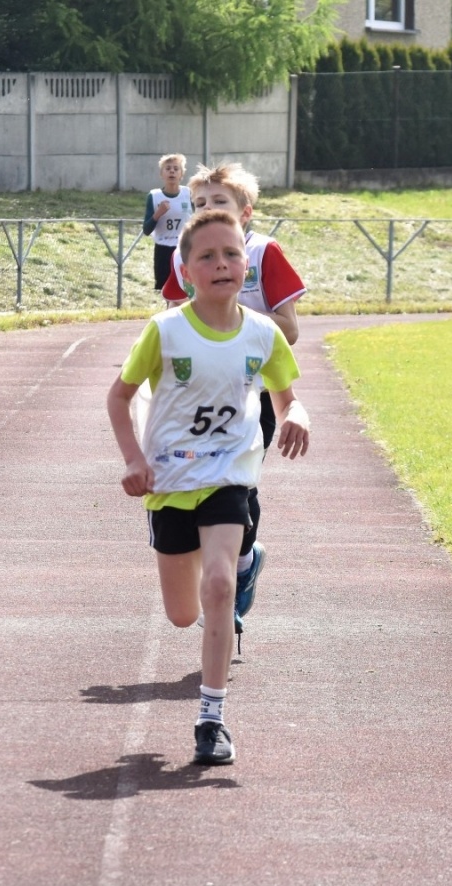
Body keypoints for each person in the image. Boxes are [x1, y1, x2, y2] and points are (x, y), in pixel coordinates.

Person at [107, 209, 310, 766]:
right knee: (180, 612)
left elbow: (286, 394)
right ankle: (216, 570)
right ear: (186, 270)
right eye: (207, 257)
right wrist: (132, 459)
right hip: (170, 481)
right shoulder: (165, 332)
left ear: (246, 267)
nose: (221, 264)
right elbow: (118, 397)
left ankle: (211, 718)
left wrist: (299, 415)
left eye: (231, 255)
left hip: (229, 474)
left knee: (219, 586)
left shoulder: (262, 333)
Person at [160, 162, 307, 637]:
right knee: (193, 482)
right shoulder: (188, 258)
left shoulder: (263, 254)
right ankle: (214, 560)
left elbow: (291, 327)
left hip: (251, 394)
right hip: (191, 397)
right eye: (198, 204)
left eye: (218, 203)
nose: (206, 211)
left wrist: (241, 322)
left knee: (237, 485)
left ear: (245, 213)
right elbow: (172, 316)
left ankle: (241, 564)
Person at [142, 153, 192, 292]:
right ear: (161, 174)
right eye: (168, 168)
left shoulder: (188, 194)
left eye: (176, 169)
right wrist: (158, 214)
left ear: (181, 174)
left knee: (186, 287)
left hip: (184, 248)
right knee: (165, 290)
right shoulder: (154, 196)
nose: (172, 171)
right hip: (163, 248)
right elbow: (146, 230)